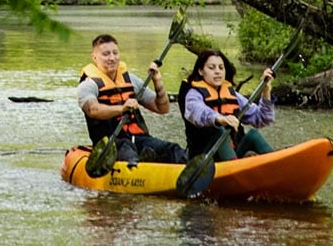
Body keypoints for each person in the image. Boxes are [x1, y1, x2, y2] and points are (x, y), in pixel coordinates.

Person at [77, 34, 187, 167]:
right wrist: (122, 108)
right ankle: (141, 165)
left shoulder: (131, 80)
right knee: (129, 152)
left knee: (171, 148)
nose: (112, 58)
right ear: (95, 57)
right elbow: (93, 110)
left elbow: (162, 108)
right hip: (111, 144)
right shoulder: (88, 85)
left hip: (139, 139)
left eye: (115, 53)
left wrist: (157, 82)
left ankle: (192, 168)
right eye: (106, 54)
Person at [178, 49, 275, 161]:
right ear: (201, 71)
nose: (217, 71)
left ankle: (278, 164)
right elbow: (198, 112)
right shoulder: (193, 95)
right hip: (205, 159)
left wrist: (266, 91)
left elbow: (263, 118)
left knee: (253, 134)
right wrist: (220, 118)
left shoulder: (232, 95)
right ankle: (236, 170)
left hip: (232, 154)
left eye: (221, 67)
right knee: (219, 131)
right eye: (211, 67)